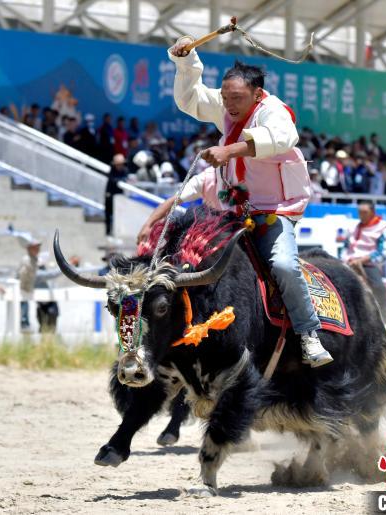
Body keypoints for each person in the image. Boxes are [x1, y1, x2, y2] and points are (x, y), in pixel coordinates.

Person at [138, 42, 331, 367]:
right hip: (232, 213)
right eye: (225, 98)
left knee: (283, 265)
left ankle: (308, 332)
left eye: (236, 99)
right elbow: (192, 100)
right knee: (193, 259)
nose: (228, 106)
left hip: (274, 211)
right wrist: (186, 62)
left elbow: (283, 138)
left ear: (258, 94)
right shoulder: (228, 106)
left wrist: (229, 151)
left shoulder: (274, 111)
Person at [341, 201, 386, 319]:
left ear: (372, 212)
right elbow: (345, 248)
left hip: (368, 264)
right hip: (349, 263)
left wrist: (363, 260)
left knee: (378, 286)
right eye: (360, 213)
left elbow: (384, 252)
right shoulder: (353, 228)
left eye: (365, 212)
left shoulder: (382, 229)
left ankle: (382, 313)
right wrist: (346, 260)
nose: (362, 215)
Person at [105, 153, 129, 236]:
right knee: (108, 214)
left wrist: (120, 181)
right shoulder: (111, 170)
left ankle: (118, 231)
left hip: (120, 195)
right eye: (118, 164)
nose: (119, 166)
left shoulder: (125, 170)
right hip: (110, 194)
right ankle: (108, 231)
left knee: (119, 215)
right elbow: (112, 180)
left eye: (121, 164)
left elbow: (125, 179)